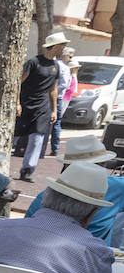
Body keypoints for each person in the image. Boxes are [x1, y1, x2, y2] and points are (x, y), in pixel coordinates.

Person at [25, 134, 124, 242]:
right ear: (102, 165)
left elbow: (27, 228)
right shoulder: (117, 187)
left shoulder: (44, 196)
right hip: (93, 255)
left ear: (67, 167)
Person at [13, 31, 65, 181]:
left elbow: (53, 88)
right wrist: (17, 103)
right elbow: (18, 83)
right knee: (14, 136)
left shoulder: (56, 66)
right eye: (62, 45)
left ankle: (27, 170)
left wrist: (54, 109)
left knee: (37, 138)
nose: (64, 49)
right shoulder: (33, 62)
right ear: (55, 46)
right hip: (25, 104)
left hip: (43, 107)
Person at [51, 46, 75, 156]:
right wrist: (54, 91)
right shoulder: (64, 68)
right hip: (58, 98)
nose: (70, 59)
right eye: (69, 56)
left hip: (48, 97)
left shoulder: (52, 64)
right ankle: (55, 148)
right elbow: (64, 84)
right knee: (56, 123)